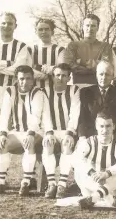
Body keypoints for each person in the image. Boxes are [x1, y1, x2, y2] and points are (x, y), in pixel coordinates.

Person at [0, 12, 32, 189]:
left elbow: (17, 70)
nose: (6, 26)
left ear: (15, 26)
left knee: (14, 133)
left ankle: (4, 176)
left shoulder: (22, 47)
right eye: (3, 23)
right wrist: (7, 63)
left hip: (12, 92)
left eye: (10, 24)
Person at [0, 65, 53, 196]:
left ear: (33, 79)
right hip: (17, 131)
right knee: (1, 144)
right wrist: (2, 134)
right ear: (16, 79)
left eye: (28, 78)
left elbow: (36, 117)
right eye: (22, 79)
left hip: (36, 131)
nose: (25, 82)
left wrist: (30, 134)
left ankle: (26, 183)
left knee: (28, 142)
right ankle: (0, 182)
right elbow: (4, 115)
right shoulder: (10, 91)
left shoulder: (38, 92)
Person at [73, 111, 116, 209]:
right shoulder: (89, 142)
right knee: (78, 170)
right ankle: (110, 200)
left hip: (112, 182)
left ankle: (95, 197)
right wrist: (92, 173)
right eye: (101, 126)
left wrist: (107, 173)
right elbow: (76, 158)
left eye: (108, 126)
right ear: (96, 126)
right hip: (93, 181)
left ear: (114, 126)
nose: (105, 130)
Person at [42, 63, 80, 199]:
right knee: (48, 144)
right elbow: (45, 114)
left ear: (69, 78)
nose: (60, 78)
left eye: (64, 76)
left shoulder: (74, 90)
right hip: (51, 130)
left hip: (67, 130)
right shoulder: (45, 91)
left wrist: (70, 133)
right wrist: (49, 132)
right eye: (57, 75)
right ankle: (52, 183)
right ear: (52, 77)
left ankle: (62, 184)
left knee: (67, 144)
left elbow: (74, 114)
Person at [78, 61, 116, 139]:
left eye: (107, 74)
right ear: (96, 75)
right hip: (90, 136)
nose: (104, 77)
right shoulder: (86, 92)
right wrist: (82, 136)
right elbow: (82, 116)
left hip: (112, 136)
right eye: (101, 74)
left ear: (113, 76)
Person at [59, 14, 112, 86]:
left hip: (97, 87)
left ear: (97, 28)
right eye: (87, 25)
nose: (90, 29)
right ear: (83, 27)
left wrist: (79, 62)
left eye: (93, 26)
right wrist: (95, 64)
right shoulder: (73, 45)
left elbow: (105, 67)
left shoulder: (105, 46)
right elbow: (68, 65)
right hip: (78, 86)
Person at [31, 18, 65, 89]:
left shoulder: (60, 50)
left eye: (47, 29)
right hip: (34, 89)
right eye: (40, 29)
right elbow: (27, 71)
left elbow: (61, 70)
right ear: (36, 32)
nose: (43, 32)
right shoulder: (30, 49)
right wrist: (50, 70)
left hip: (54, 89)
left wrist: (36, 67)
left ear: (52, 32)